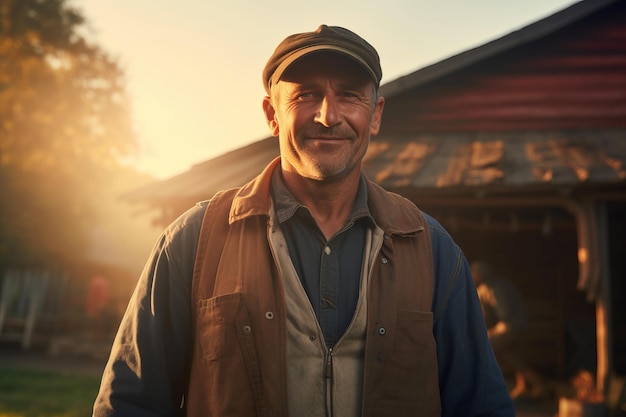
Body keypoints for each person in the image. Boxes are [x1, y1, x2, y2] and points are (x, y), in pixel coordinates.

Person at [93, 25, 514, 416]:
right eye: (306, 95)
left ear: (377, 114)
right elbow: (130, 404)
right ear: (271, 113)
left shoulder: (430, 247)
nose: (328, 115)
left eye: (349, 95)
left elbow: (481, 406)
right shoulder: (195, 241)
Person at [471, 260, 547, 400]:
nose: (473, 275)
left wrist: (488, 323)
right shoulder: (484, 288)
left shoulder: (496, 287)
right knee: (508, 355)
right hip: (505, 326)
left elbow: (504, 313)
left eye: (475, 273)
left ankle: (482, 389)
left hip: (512, 326)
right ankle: (528, 385)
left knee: (485, 347)